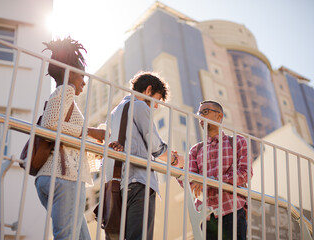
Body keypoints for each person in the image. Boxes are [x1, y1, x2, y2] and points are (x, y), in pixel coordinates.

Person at [35, 37, 105, 240]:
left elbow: (66, 135)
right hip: (64, 176)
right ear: (71, 73)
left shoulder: (62, 95)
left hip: (53, 176)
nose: (84, 81)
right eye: (82, 75)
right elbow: (50, 125)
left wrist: (98, 143)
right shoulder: (66, 90)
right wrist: (90, 131)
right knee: (66, 237)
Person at [172, 100, 252, 240]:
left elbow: (244, 174)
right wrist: (177, 167)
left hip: (232, 210)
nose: (200, 117)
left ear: (219, 116)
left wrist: (210, 181)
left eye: (205, 112)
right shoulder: (195, 151)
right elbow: (190, 186)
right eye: (199, 113)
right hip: (206, 217)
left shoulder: (238, 142)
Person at [105, 71, 170, 240]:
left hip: (117, 186)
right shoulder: (140, 106)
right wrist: (176, 159)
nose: (155, 107)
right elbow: (155, 146)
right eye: (157, 100)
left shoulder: (114, 113)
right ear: (148, 90)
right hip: (138, 182)